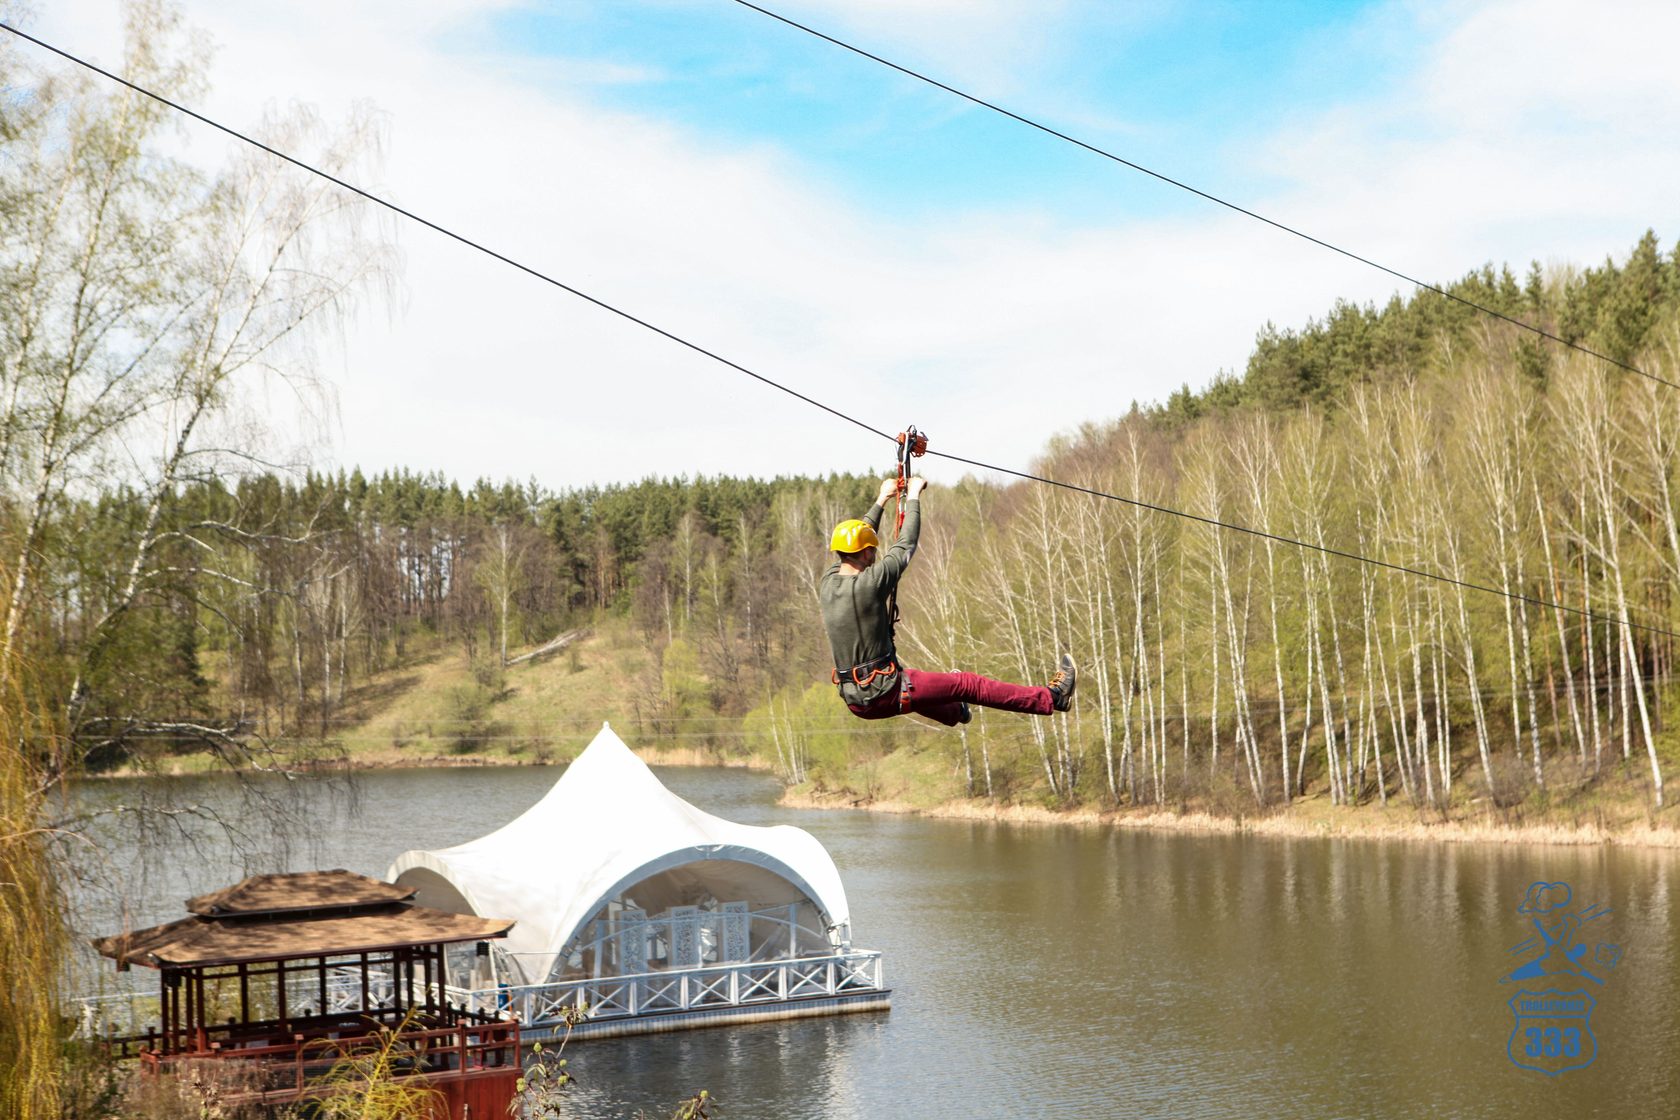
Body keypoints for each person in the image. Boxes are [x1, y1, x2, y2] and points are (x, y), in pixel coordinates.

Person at [820, 475, 1075, 726]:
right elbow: (905, 544)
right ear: (867, 552)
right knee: (965, 684)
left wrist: (882, 500)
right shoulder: (871, 583)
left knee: (916, 682)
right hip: (883, 692)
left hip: (856, 699)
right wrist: (914, 496)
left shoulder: (828, 582)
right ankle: (1053, 698)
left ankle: (955, 712)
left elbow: (855, 540)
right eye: (872, 549)